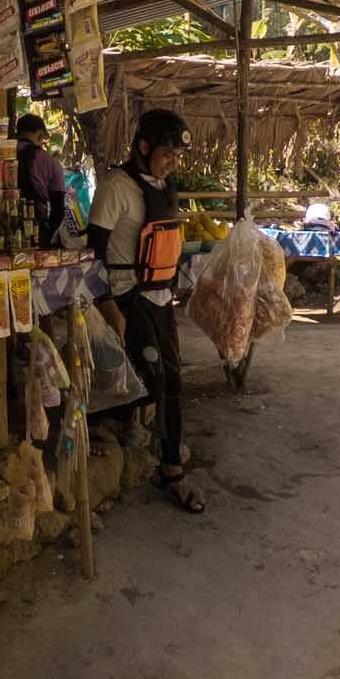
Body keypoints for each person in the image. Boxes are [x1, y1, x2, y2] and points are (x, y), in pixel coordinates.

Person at [88, 108, 198, 512]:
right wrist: (107, 305)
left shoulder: (163, 185)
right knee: (150, 382)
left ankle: (169, 468)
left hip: (161, 299)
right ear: (144, 146)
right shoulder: (117, 186)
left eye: (177, 156)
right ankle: (112, 445)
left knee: (172, 383)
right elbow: (93, 254)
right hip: (128, 298)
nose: (172, 162)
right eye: (166, 153)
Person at [15, 113, 72, 248]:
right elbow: (58, 210)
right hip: (35, 230)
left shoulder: (0, 153)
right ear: (40, 135)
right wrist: (46, 236)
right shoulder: (50, 162)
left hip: (0, 225)